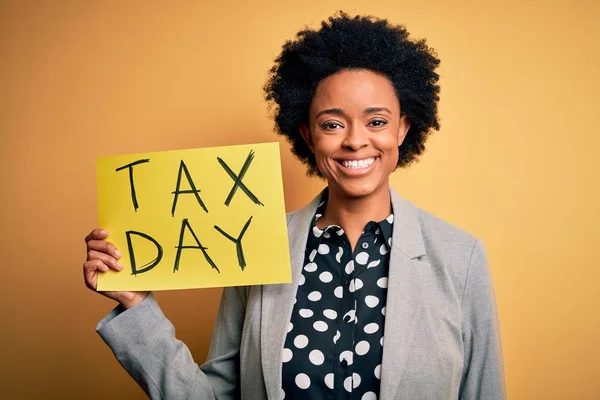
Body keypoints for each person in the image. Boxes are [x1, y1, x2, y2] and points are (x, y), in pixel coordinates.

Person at [84, 12, 505, 399]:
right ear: (308, 136)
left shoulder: (460, 258)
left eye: (376, 121)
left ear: (403, 129)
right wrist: (136, 306)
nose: (355, 140)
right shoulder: (258, 245)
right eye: (333, 124)